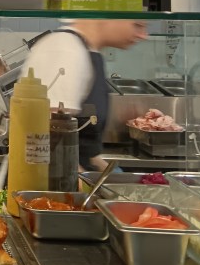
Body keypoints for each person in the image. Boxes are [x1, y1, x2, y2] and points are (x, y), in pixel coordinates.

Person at [21, 19, 148, 171]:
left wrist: (114, 179)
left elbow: (85, 147)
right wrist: (84, 185)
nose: (143, 35)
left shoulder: (89, 51)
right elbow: (51, 146)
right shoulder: (65, 48)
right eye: (137, 25)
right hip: (55, 184)